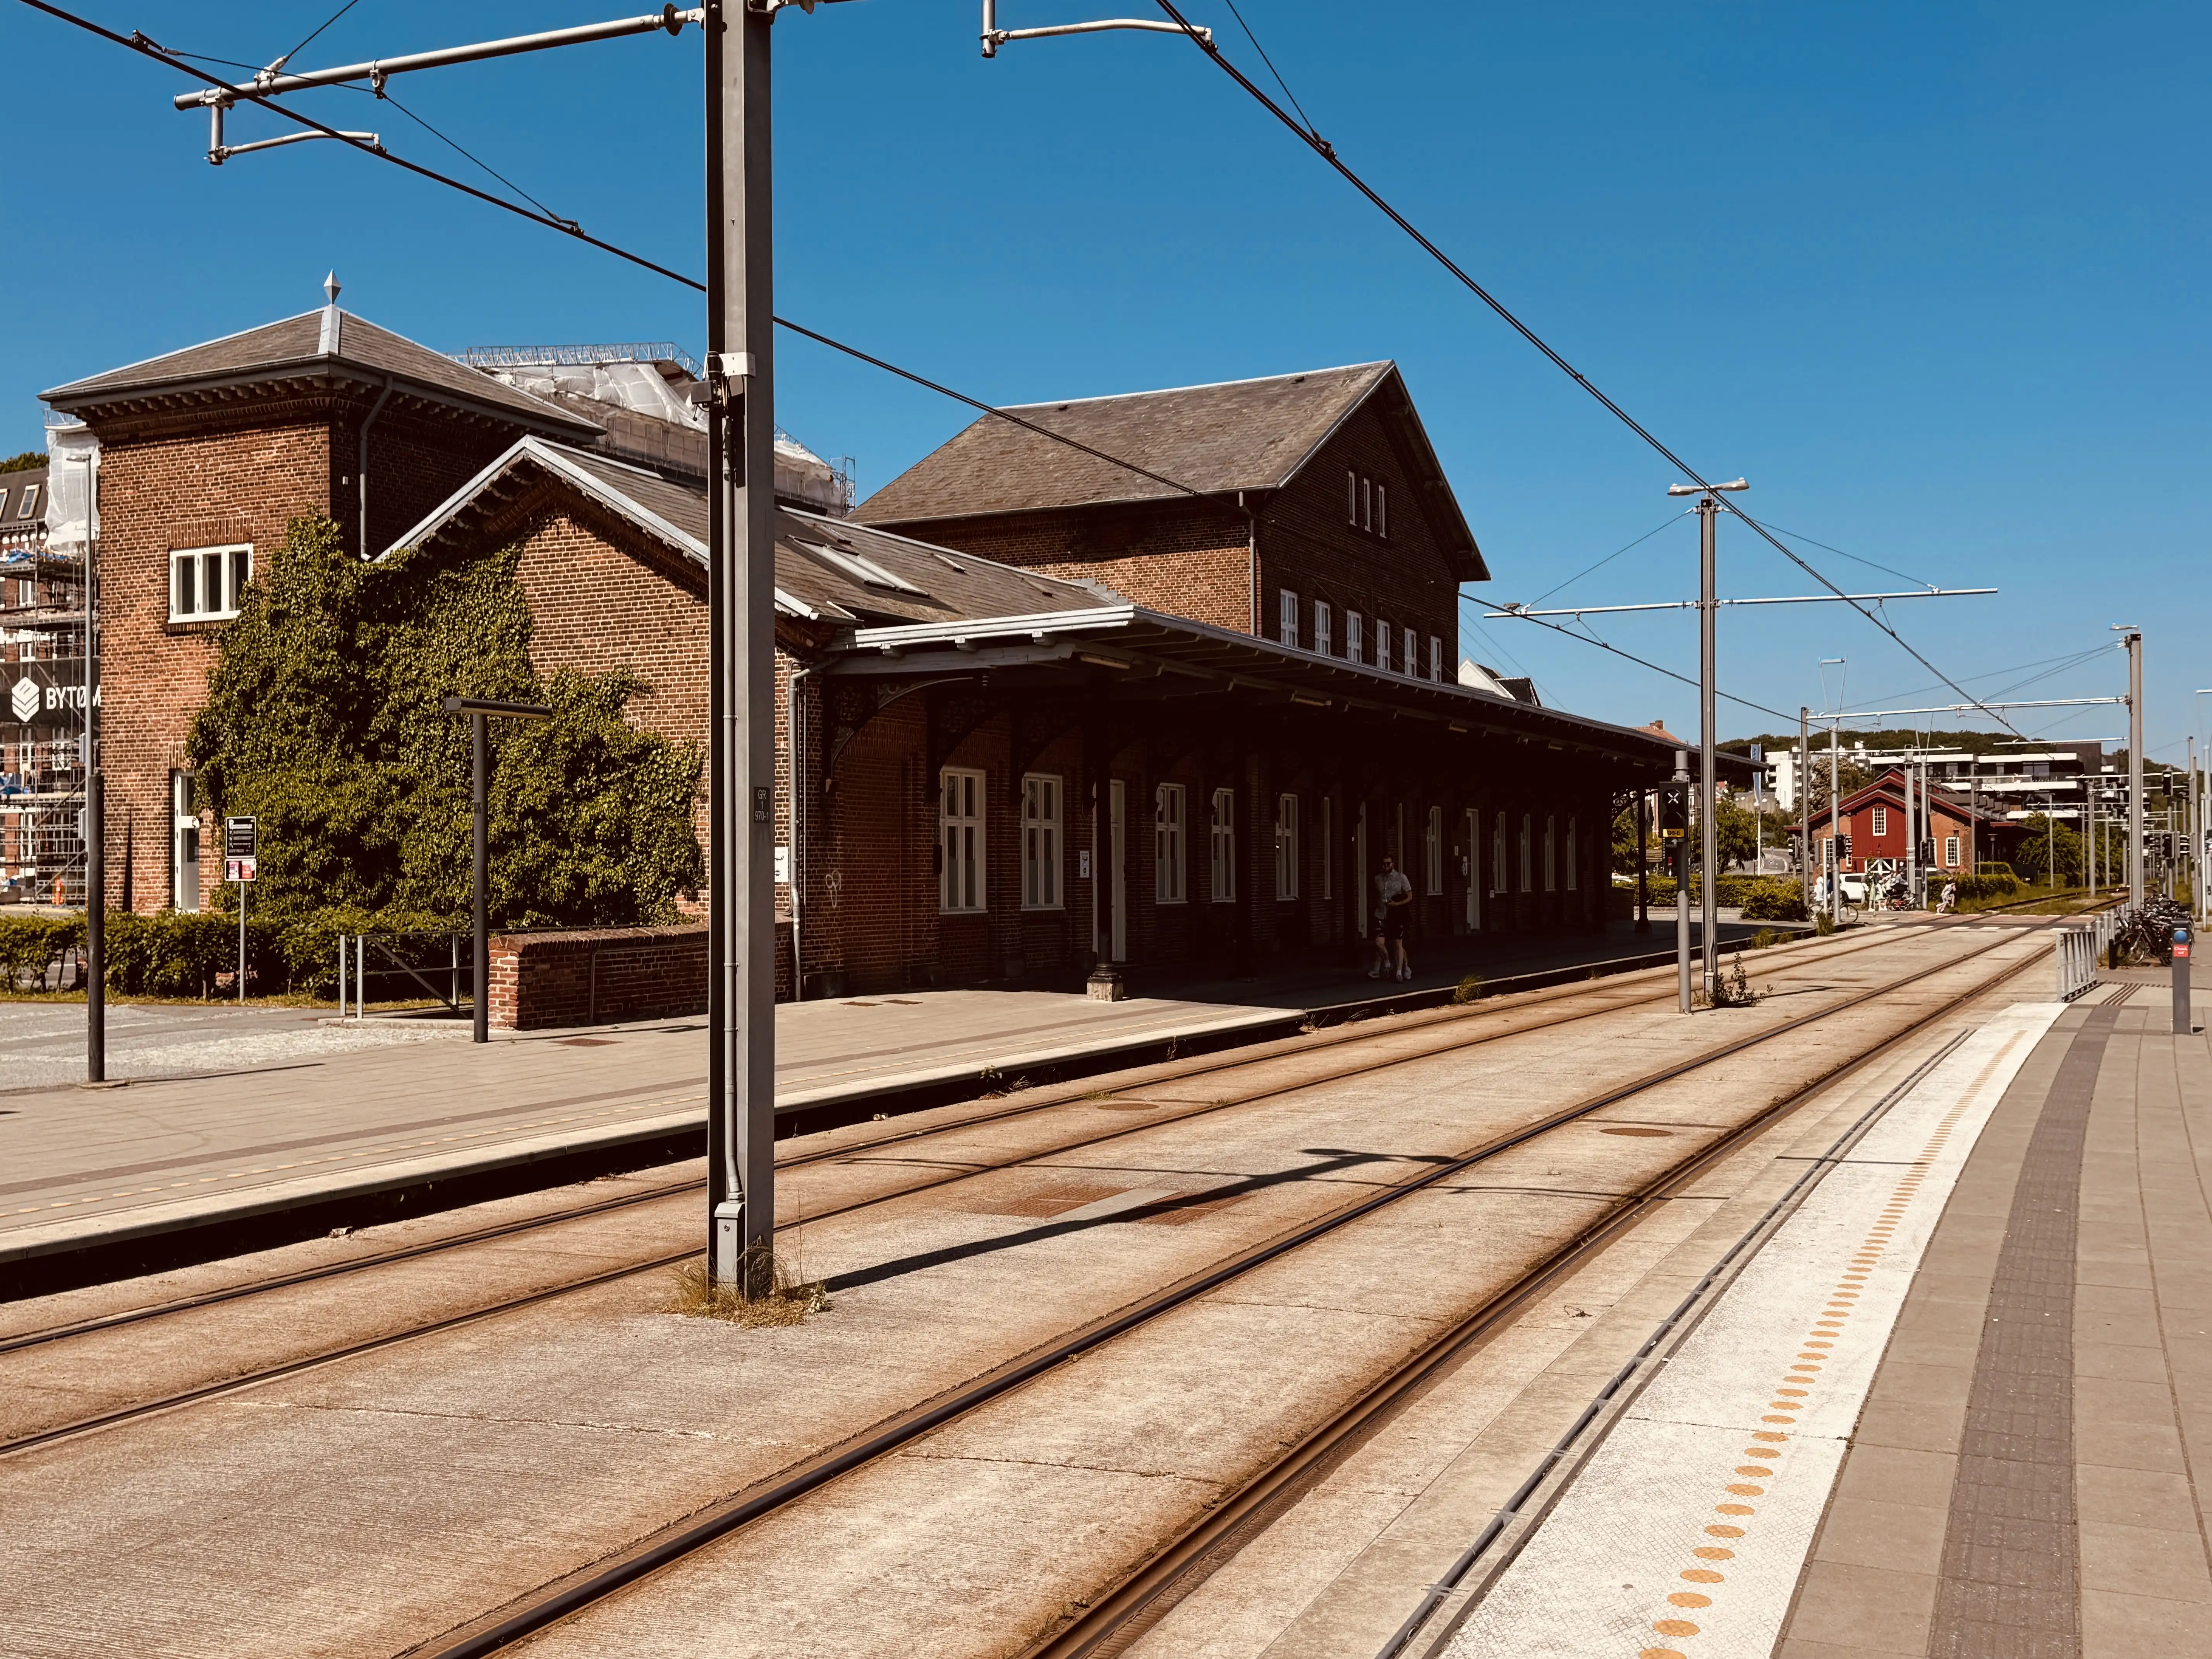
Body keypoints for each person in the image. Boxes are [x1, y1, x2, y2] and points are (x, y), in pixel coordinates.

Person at [1369, 854, 1414, 982]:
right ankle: (1386, 965)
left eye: (1388, 864)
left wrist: (1397, 904)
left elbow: (1410, 897)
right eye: (1384, 864)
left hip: (1395, 915)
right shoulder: (1377, 879)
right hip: (1381, 914)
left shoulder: (1401, 878)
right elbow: (1376, 896)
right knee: (1379, 943)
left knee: (1397, 943)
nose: (1386, 866)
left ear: (1393, 864)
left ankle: (1402, 970)